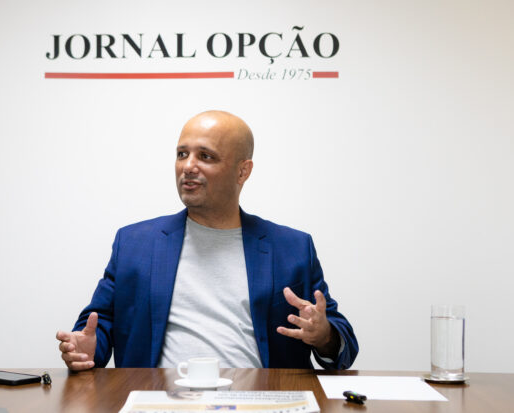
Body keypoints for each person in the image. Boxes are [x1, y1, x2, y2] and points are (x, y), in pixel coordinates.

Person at [56, 110, 358, 370]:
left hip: (259, 401)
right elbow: (99, 323)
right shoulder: (134, 243)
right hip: (159, 401)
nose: (188, 166)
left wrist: (323, 335)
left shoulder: (291, 248)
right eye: (182, 154)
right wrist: (86, 348)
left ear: (243, 171)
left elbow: (342, 344)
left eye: (206, 156)